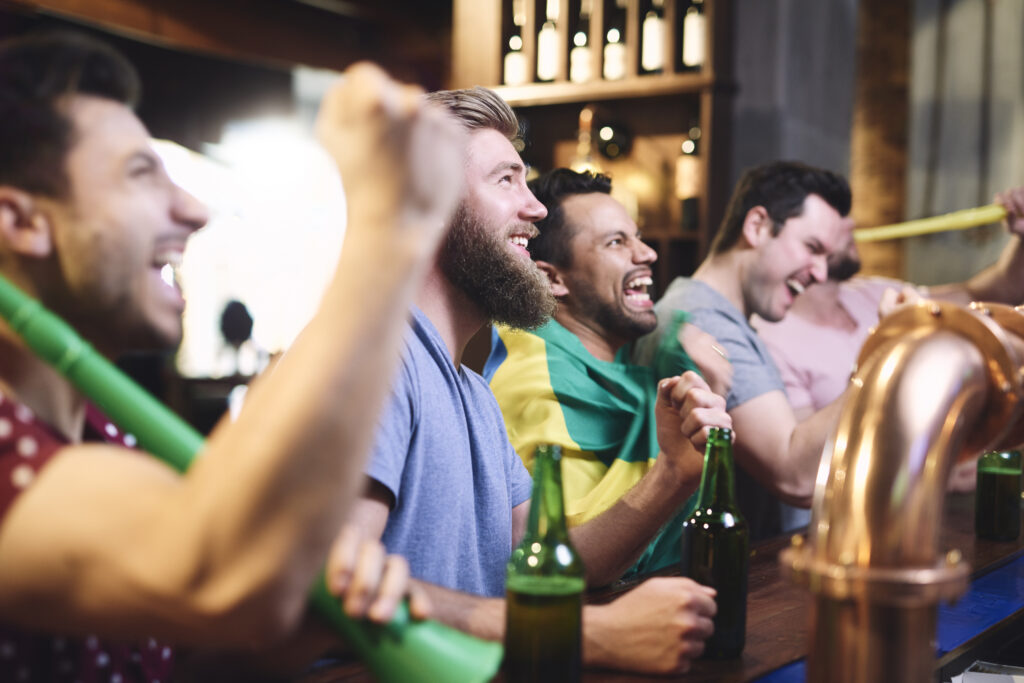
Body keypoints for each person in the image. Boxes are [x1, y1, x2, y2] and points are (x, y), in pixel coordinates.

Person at [0, 32, 458, 681]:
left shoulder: (102, 438)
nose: (195, 209)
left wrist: (299, 617)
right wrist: (391, 224)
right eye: (139, 172)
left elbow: (162, 653)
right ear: (22, 223)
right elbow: (218, 571)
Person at [347, 88, 728, 675]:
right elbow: (335, 583)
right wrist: (591, 633)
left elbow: (556, 561)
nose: (538, 209)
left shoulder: (470, 389)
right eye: (506, 181)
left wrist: (672, 476)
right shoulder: (374, 364)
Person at [485, 168, 732, 576]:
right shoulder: (535, 381)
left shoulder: (639, 357)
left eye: (638, 236)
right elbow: (563, 560)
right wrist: (673, 472)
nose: (647, 253)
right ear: (551, 279)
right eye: (617, 242)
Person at [632, 161, 852, 539]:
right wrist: (889, 353)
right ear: (757, 227)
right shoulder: (706, 321)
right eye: (812, 248)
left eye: (826, 258)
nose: (819, 273)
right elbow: (797, 476)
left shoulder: (715, 314)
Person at [755, 187, 1024, 419]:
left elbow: (998, 291)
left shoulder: (871, 291)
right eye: (835, 218)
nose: (852, 224)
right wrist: (889, 342)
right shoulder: (771, 342)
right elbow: (803, 468)